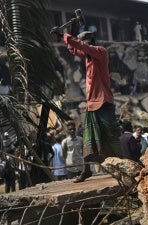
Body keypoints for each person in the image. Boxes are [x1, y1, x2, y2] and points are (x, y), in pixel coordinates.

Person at [51, 27, 123, 183]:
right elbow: (75, 50)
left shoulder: (100, 51)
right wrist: (62, 37)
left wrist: (65, 35)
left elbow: (81, 47)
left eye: (84, 43)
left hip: (103, 101)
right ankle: (86, 170)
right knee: (87, 138)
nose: (82, 46)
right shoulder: (88, 56)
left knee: (111, 136)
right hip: (91, 103)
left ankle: (122, 167)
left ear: (90, 42)